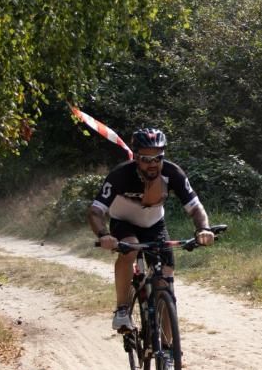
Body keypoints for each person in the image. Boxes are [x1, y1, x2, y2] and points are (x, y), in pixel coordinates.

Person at [87, 127, 215, 332]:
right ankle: (122, 310)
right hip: (123, 222)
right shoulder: (120, 175)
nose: (152, 164)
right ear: (136, 157)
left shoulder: (173, 173)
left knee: (164, 280)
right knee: (132, 248)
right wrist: (104, 235)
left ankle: (167, 353)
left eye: (157, 158)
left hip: (155, 225)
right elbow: (95, 211)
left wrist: (204, 229)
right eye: (146, 159)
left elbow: (195, 207)